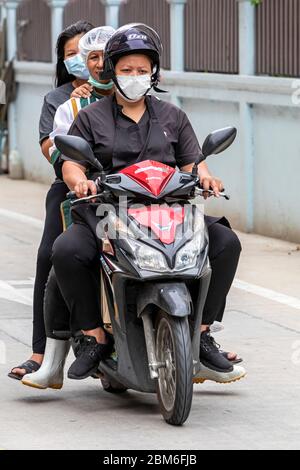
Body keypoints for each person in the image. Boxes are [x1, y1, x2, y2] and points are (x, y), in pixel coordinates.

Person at [22, 23, 245, 389]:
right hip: (107, 213)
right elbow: (71, 159)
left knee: (225, 243)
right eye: (127, 70)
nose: (135, 77)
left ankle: (202, 333)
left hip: (168, 213)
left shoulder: (173, 116)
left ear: (153, 72)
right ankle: (94, 336)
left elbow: (193, 160)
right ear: (113, 71)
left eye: (142, 70)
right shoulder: (89, 117)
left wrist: (206, 177)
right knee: (66, 251)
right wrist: (78, 179)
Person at [8, 20, 95, 381]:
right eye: (69, 54)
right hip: (72, 188)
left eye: (84, 52)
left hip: (125, 188)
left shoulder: (122, 92)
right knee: (50, 253)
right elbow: (51, 150)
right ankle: (42, 353)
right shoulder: (59, 101)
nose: (78, 59)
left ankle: (196, 339)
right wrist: (80, 110)